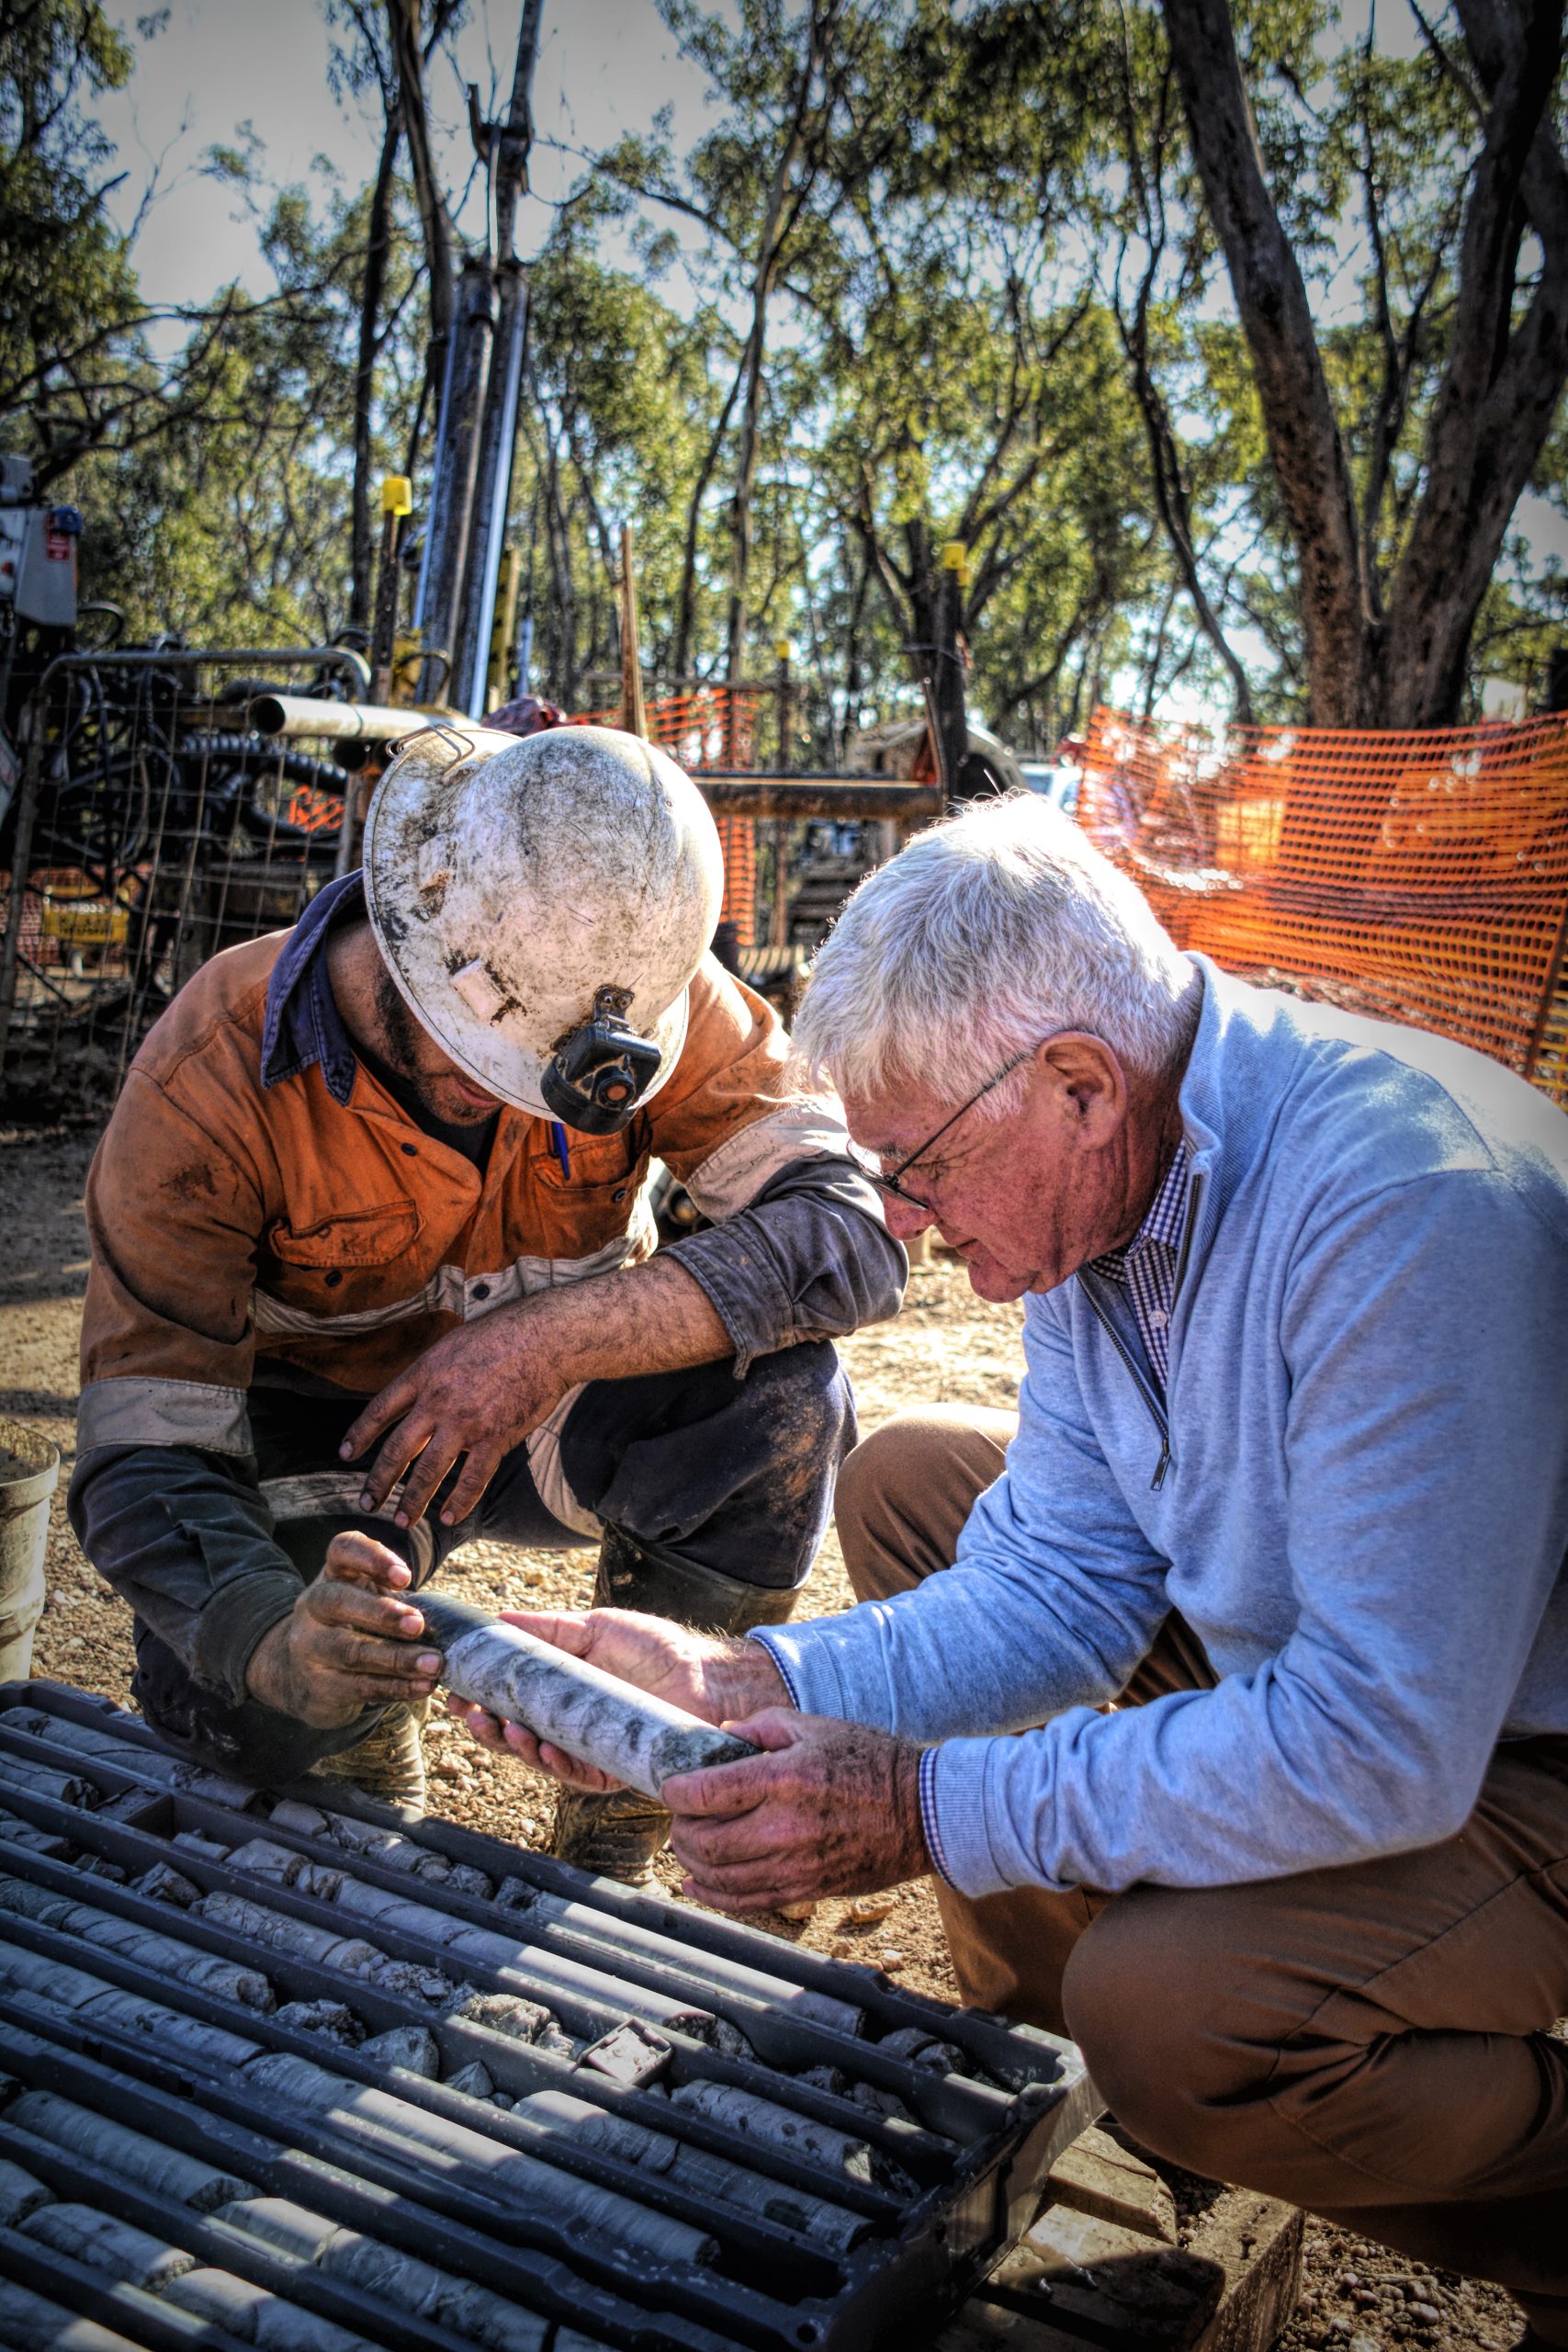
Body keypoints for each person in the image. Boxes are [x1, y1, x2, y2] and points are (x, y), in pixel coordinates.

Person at [451, 793, 1568, 2344]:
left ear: (1076, 1086)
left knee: (1177, 2013)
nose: (903, 1226)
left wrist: (925, 1809)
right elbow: (1056, 1582)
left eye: (916, 1171)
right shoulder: (1103, 1176)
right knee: (918, 1480)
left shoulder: (1401, 1211)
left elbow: (1380, 1745)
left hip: (1519, 1748)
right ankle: (1044, 2089)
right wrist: (746, 1678)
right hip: (1363, 1666)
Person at [69, 722, 903, 1874]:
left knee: (783, 1403)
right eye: (488, 1062)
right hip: (341, 1446)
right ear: (421, 944)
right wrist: (272, 1641)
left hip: (553, 1418)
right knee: (236, 1688)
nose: (512, 1103)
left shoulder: (644, 984)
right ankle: (357, 1750)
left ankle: (622, 1810)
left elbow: (849, 1230)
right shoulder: (210, 1077)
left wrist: (543, 1345)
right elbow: (140, 1453)